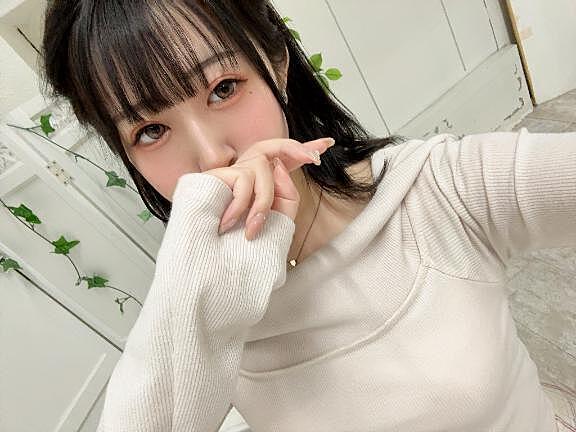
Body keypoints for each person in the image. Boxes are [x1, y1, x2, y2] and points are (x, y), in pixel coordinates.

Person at [41, 1, 576, 431]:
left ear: (276, 63)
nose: (212, 157)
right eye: (150, 131)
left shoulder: (437, 190)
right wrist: (193, 301)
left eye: (223, 88)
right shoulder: (200, 296)